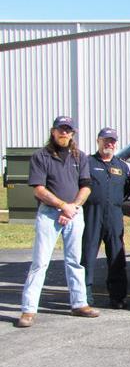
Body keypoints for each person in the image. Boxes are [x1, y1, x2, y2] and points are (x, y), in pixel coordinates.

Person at [17, 116, 98, 327]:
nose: (64, 133)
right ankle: (28, 310)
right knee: (40, 262)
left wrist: (73, 207)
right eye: (60, 129)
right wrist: (63, 205)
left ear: (73, 134)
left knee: (74, 261)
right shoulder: (40, 156)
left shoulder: (80, 157)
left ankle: (79, 304)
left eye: (68, 130)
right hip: (49, 213)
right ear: (53, 131)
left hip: (74, 213)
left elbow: (86, 186)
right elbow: (39, 189)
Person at [81, 127, 130, 309]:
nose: (109, 144)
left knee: (117, 257)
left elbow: (127, 189)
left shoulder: (121, 166)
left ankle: (118, 297)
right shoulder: (87, 163)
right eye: (105, 140)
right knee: (87, 257)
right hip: (92, 214)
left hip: (114, 216)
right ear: (98, 141)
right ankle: (84, 297)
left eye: (112, 141)